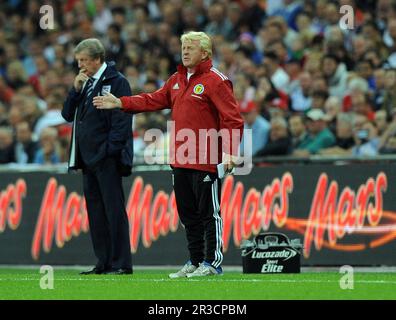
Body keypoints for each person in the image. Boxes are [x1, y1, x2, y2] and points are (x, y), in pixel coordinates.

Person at [93, 31, 244, 278]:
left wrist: (229, 152)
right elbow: (153, 99)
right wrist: (121, 103)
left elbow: (232, 119)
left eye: (191, 48)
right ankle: (195, 261)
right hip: (180, 158)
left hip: (207, 159)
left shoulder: (217, 81)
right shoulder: (176, 79)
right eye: (183, 47)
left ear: (205, 53)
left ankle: (212, 263)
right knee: (188, 215)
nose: (185, 51)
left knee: (209, 214)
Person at [62, 38, 133, 275]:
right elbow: (66, 114)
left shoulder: (117, 82)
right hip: (86, 158)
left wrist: (109, 152)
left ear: (97, 59)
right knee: (95, 212)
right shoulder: (84, 83)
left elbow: (122, 121)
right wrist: (75, 91)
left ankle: (121, 263)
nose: (80, 65)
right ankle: (103, 262)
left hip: (106, 158)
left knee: (113, 210)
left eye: (83, 60)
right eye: (78, 61)